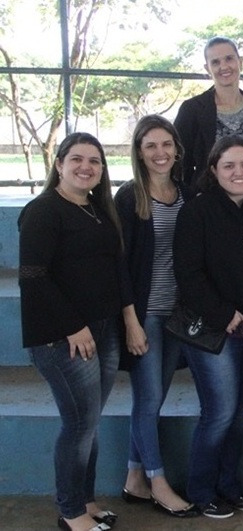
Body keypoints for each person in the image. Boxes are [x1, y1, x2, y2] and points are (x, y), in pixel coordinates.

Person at [19, 132, 131, 531]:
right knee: (79, 423)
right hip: (63, 336)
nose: (86, 167)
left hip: (101, 331)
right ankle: (70, 511)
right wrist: (73, 327)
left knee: (90, 421)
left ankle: (85, 499)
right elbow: (34, 278)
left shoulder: (97, 210)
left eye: (95, 162)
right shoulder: (43, 211)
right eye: (78, 159)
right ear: (59, 164)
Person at [173, 136, 243, 519]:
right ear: (213, 170)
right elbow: (189, 273)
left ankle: (230, 486)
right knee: (219, 412)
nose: (239, 172)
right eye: (229, 165)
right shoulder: (197, 212)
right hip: (216, 332)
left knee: (239, 411)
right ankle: (201, 489)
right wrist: (224, 314)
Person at [115, 115, 198, 518]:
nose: (160, 153)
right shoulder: (130, 198)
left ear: (176, 149)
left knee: (154, 398)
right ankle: (158, 482)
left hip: (176, 315)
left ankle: (134, 477)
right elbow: (119, 266)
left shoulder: (185, 193)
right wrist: (130, 320)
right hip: (144, 314)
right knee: (148, 399)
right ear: (139, 151)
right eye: (151, 146)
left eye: (166, 145)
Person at [175, 36, 243, 197]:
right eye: (215, 62)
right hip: (208, 206)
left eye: (229, 59)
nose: (223, 66)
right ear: (207, 68)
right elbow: (180, 161)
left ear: (240, 62)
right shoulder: (192, 109)